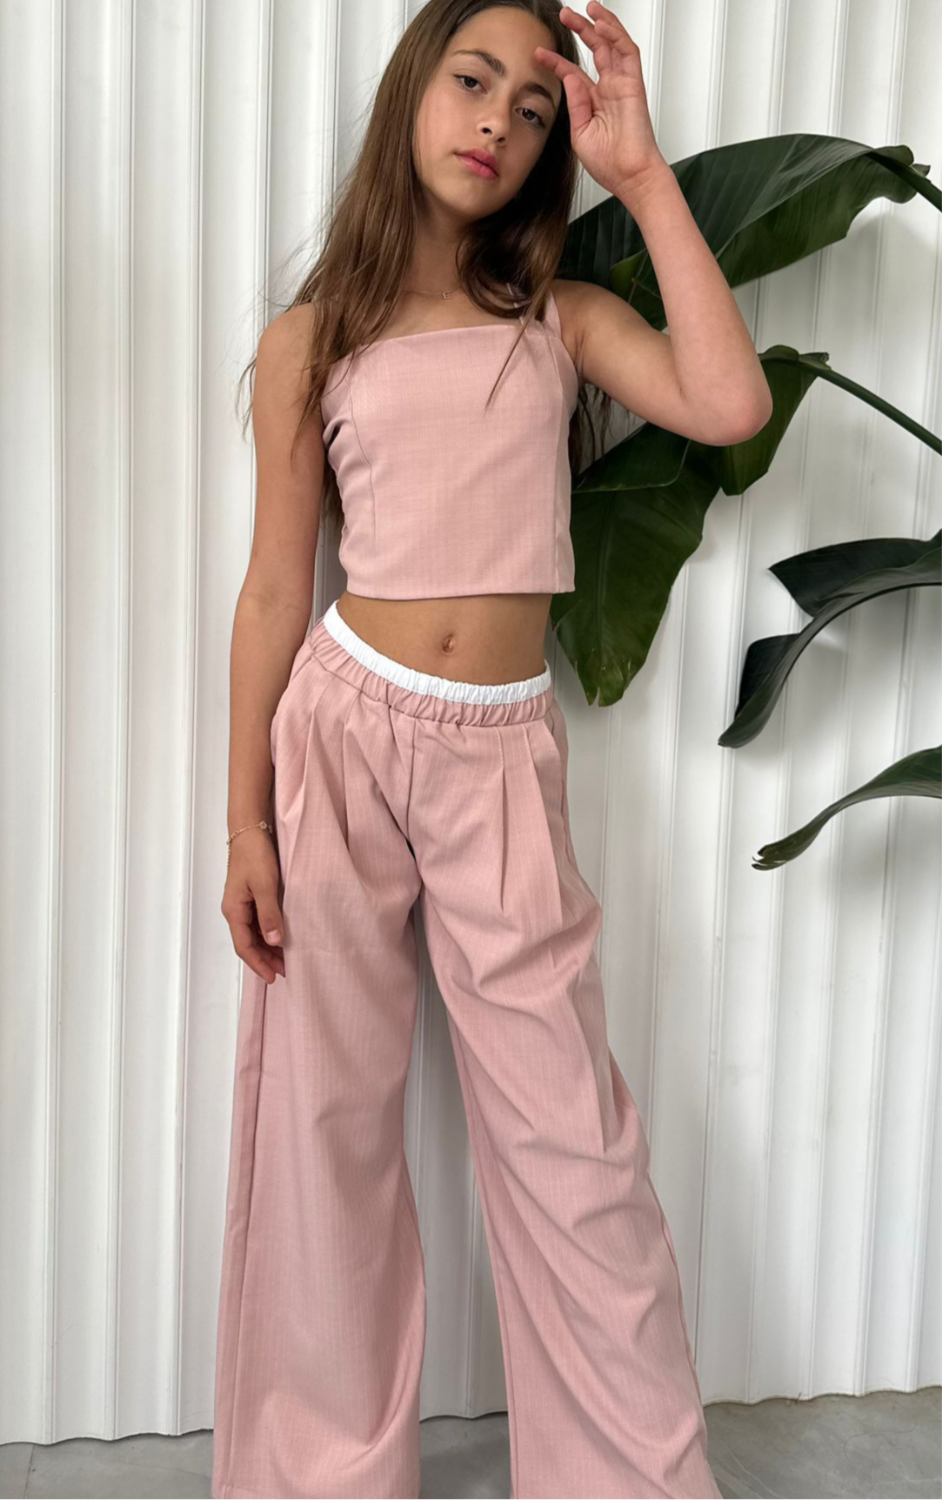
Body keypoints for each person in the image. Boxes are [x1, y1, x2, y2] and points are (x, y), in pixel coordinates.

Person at [213, 4, 772, 1500]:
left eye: (531, 110)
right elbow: (273, 590)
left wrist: (640, 175)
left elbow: (729, 403)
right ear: (414, 86)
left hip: (496, 755)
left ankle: (629, 1479)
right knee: (323, 1127)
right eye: (473, 82)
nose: (497, 125)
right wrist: (246, 824)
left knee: (570, 1141)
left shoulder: (554, 322)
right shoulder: (309, 341)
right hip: (340, 733)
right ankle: (318, 1473)